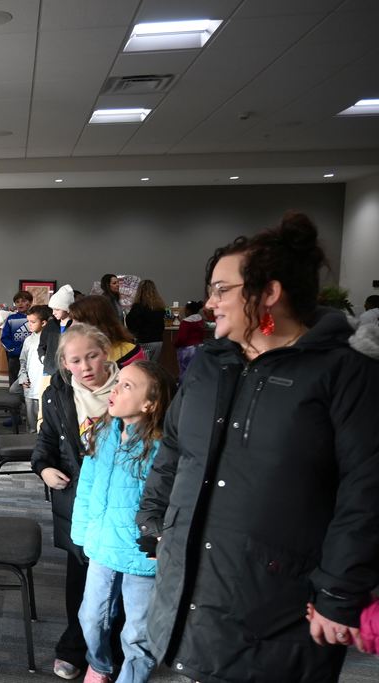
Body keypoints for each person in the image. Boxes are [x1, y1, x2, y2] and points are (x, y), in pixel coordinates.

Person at [136, 212, 379, 683]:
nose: (209, 304)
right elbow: (175, 451)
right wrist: (152, 519)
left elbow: (366, 494)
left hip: (277, 604)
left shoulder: (345, 373)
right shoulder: (210, 364)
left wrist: (339, 594)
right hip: (190, 585)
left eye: (222, 290)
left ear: (269, 293)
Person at [73, 360, 175, 683]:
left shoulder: (163, 447)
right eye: (118, 382)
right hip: (102, 545)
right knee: (91, 617)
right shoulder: (102, 432)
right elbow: (86, 485)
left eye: (127, 386)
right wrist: (82, 534)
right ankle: (100, 664)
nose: (115, 389)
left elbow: (168, 502)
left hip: (140, 555)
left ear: (150, 403)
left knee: (137, 632)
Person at [32, 323, 121, 680]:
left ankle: (109, 651)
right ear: (65, 364)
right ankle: (76, 644)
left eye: (92, 356)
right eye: (75, 360)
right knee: (80, 580)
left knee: (118, 583)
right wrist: (44, 469)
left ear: (106, 352)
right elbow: (46, 445)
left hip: (119, 504)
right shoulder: (57, 395)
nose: (85, 366)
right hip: (78, 503)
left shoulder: (135, 388)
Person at [69, 295, 145, 367]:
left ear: (94, 323)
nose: (71, 326)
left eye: (77, 321)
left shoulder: (131, 353)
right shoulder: (76, 353)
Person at [18, 304, 54, 432]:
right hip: (30, 387)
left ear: (44, 322)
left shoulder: (53, 340)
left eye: (33, 322)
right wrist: (22, 376)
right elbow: (22, 361)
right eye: (28, 321)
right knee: (31, 426)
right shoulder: (28, 340)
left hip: (46, 387)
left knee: (45, 425)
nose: (29, 325)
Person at [39, 284, 75, 399]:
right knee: (45, 403)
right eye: (52, 309)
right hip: (49, 371)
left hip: (69, 373)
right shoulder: (50, 325)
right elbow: (42, 345)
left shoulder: (76, 326)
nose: (53, 312)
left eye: (57, 309)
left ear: (67, 308)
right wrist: (43, 358)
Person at [125, 280, 166, 363]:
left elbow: (130, 323)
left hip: (144, 341)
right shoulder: (159, 307)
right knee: (153, 367)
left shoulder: (138, 307)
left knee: (144, 368)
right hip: (158, 341)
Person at [0, 289, 33, 386]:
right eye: (17, 302)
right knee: (14, 380)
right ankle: (13, 400)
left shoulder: (34, 318)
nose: (20, 304)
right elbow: (5, 338)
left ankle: (27, 399)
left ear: (30, 302)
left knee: (29, 379)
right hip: (14, 356)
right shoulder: (11, 319)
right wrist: (13, 349)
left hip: (30, 356)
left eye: (23, 301)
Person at [174, 300, 206, 380]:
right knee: (196, 371)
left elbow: (182, 338)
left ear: (188, 310)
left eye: (185, 309)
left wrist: (176, 344)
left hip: (187, 350)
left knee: (184, 371)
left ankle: (183, 389)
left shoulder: (186, 322)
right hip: (199, 348)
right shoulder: (200, 320)